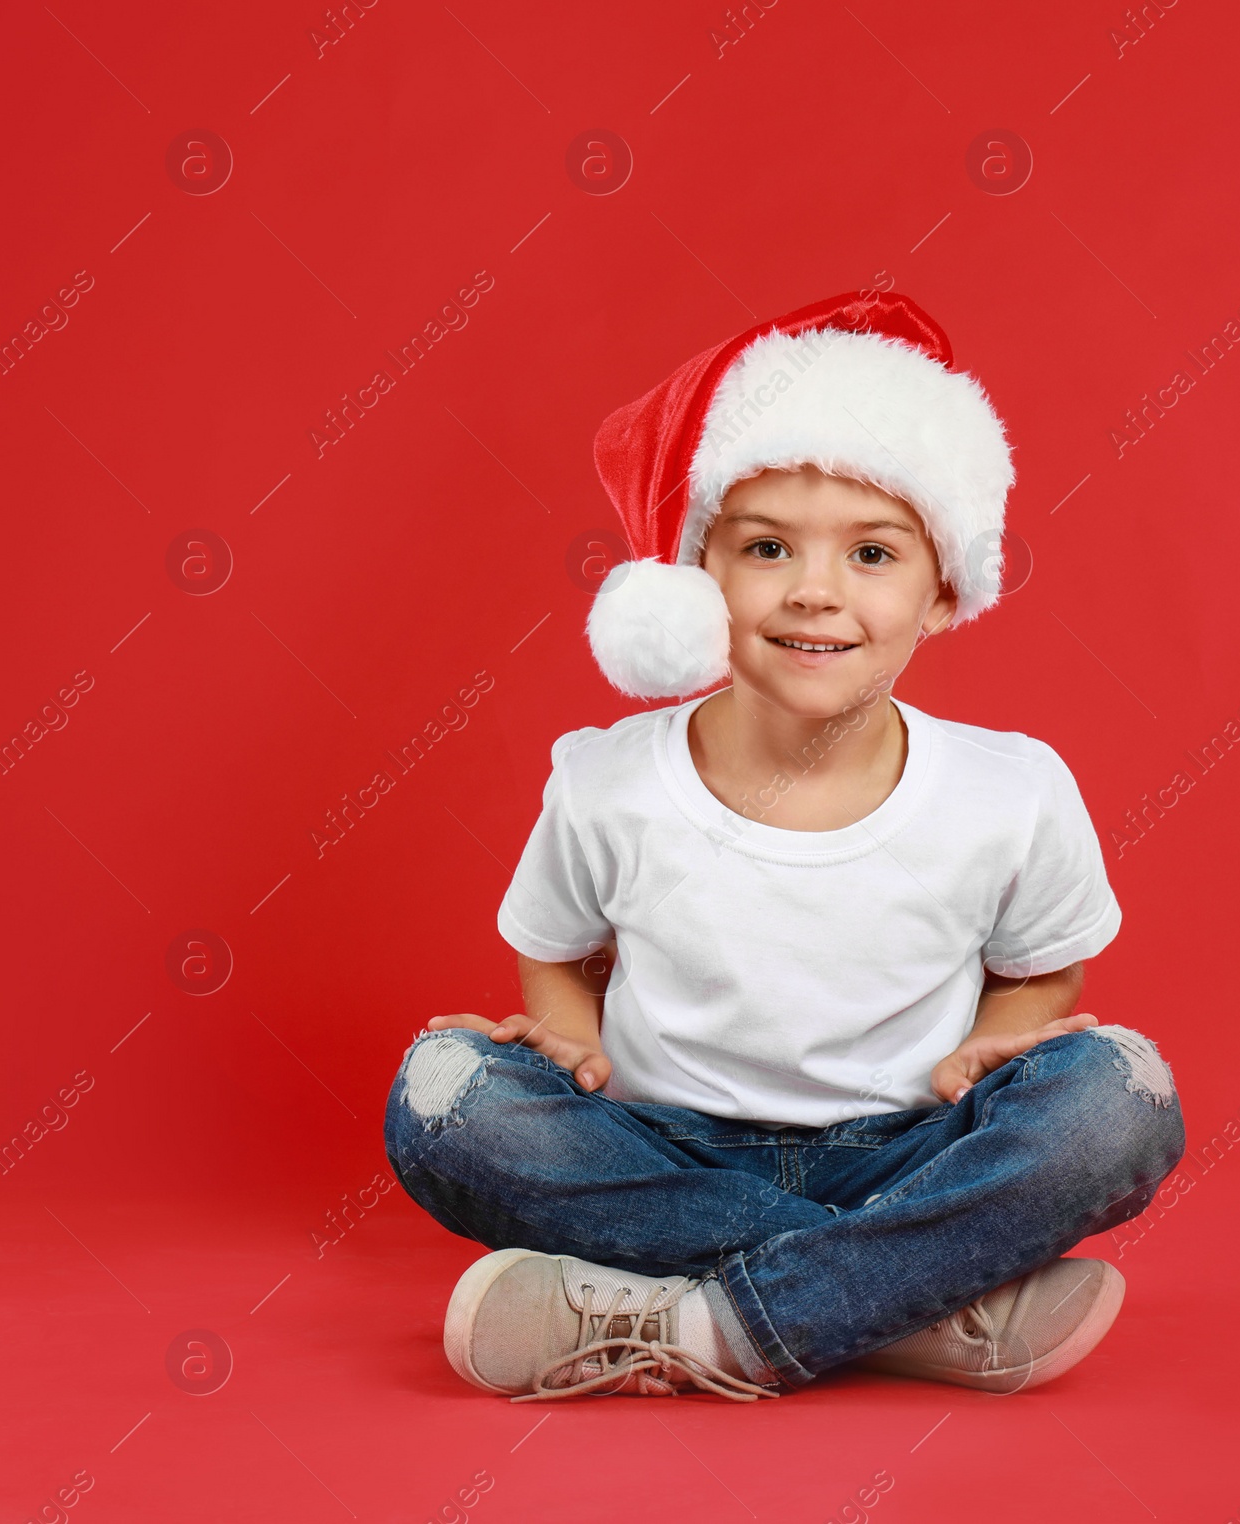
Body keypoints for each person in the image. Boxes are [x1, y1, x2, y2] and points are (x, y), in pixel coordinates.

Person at [382, 288, 1186, 1403]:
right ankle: (914, 1297)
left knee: (1120, 1095)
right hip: (663, 1151)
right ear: (700, 575)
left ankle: (705, 1325)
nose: (815, 592)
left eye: (872, 553)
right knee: (440, 1093)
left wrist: (1001, 1039)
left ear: (943, 592)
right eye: (766, 547)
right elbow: (553, 951)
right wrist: (567, 1043)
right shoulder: (609, 779)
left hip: (913, 1152)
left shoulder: (1013, 788)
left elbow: (1046, 967)